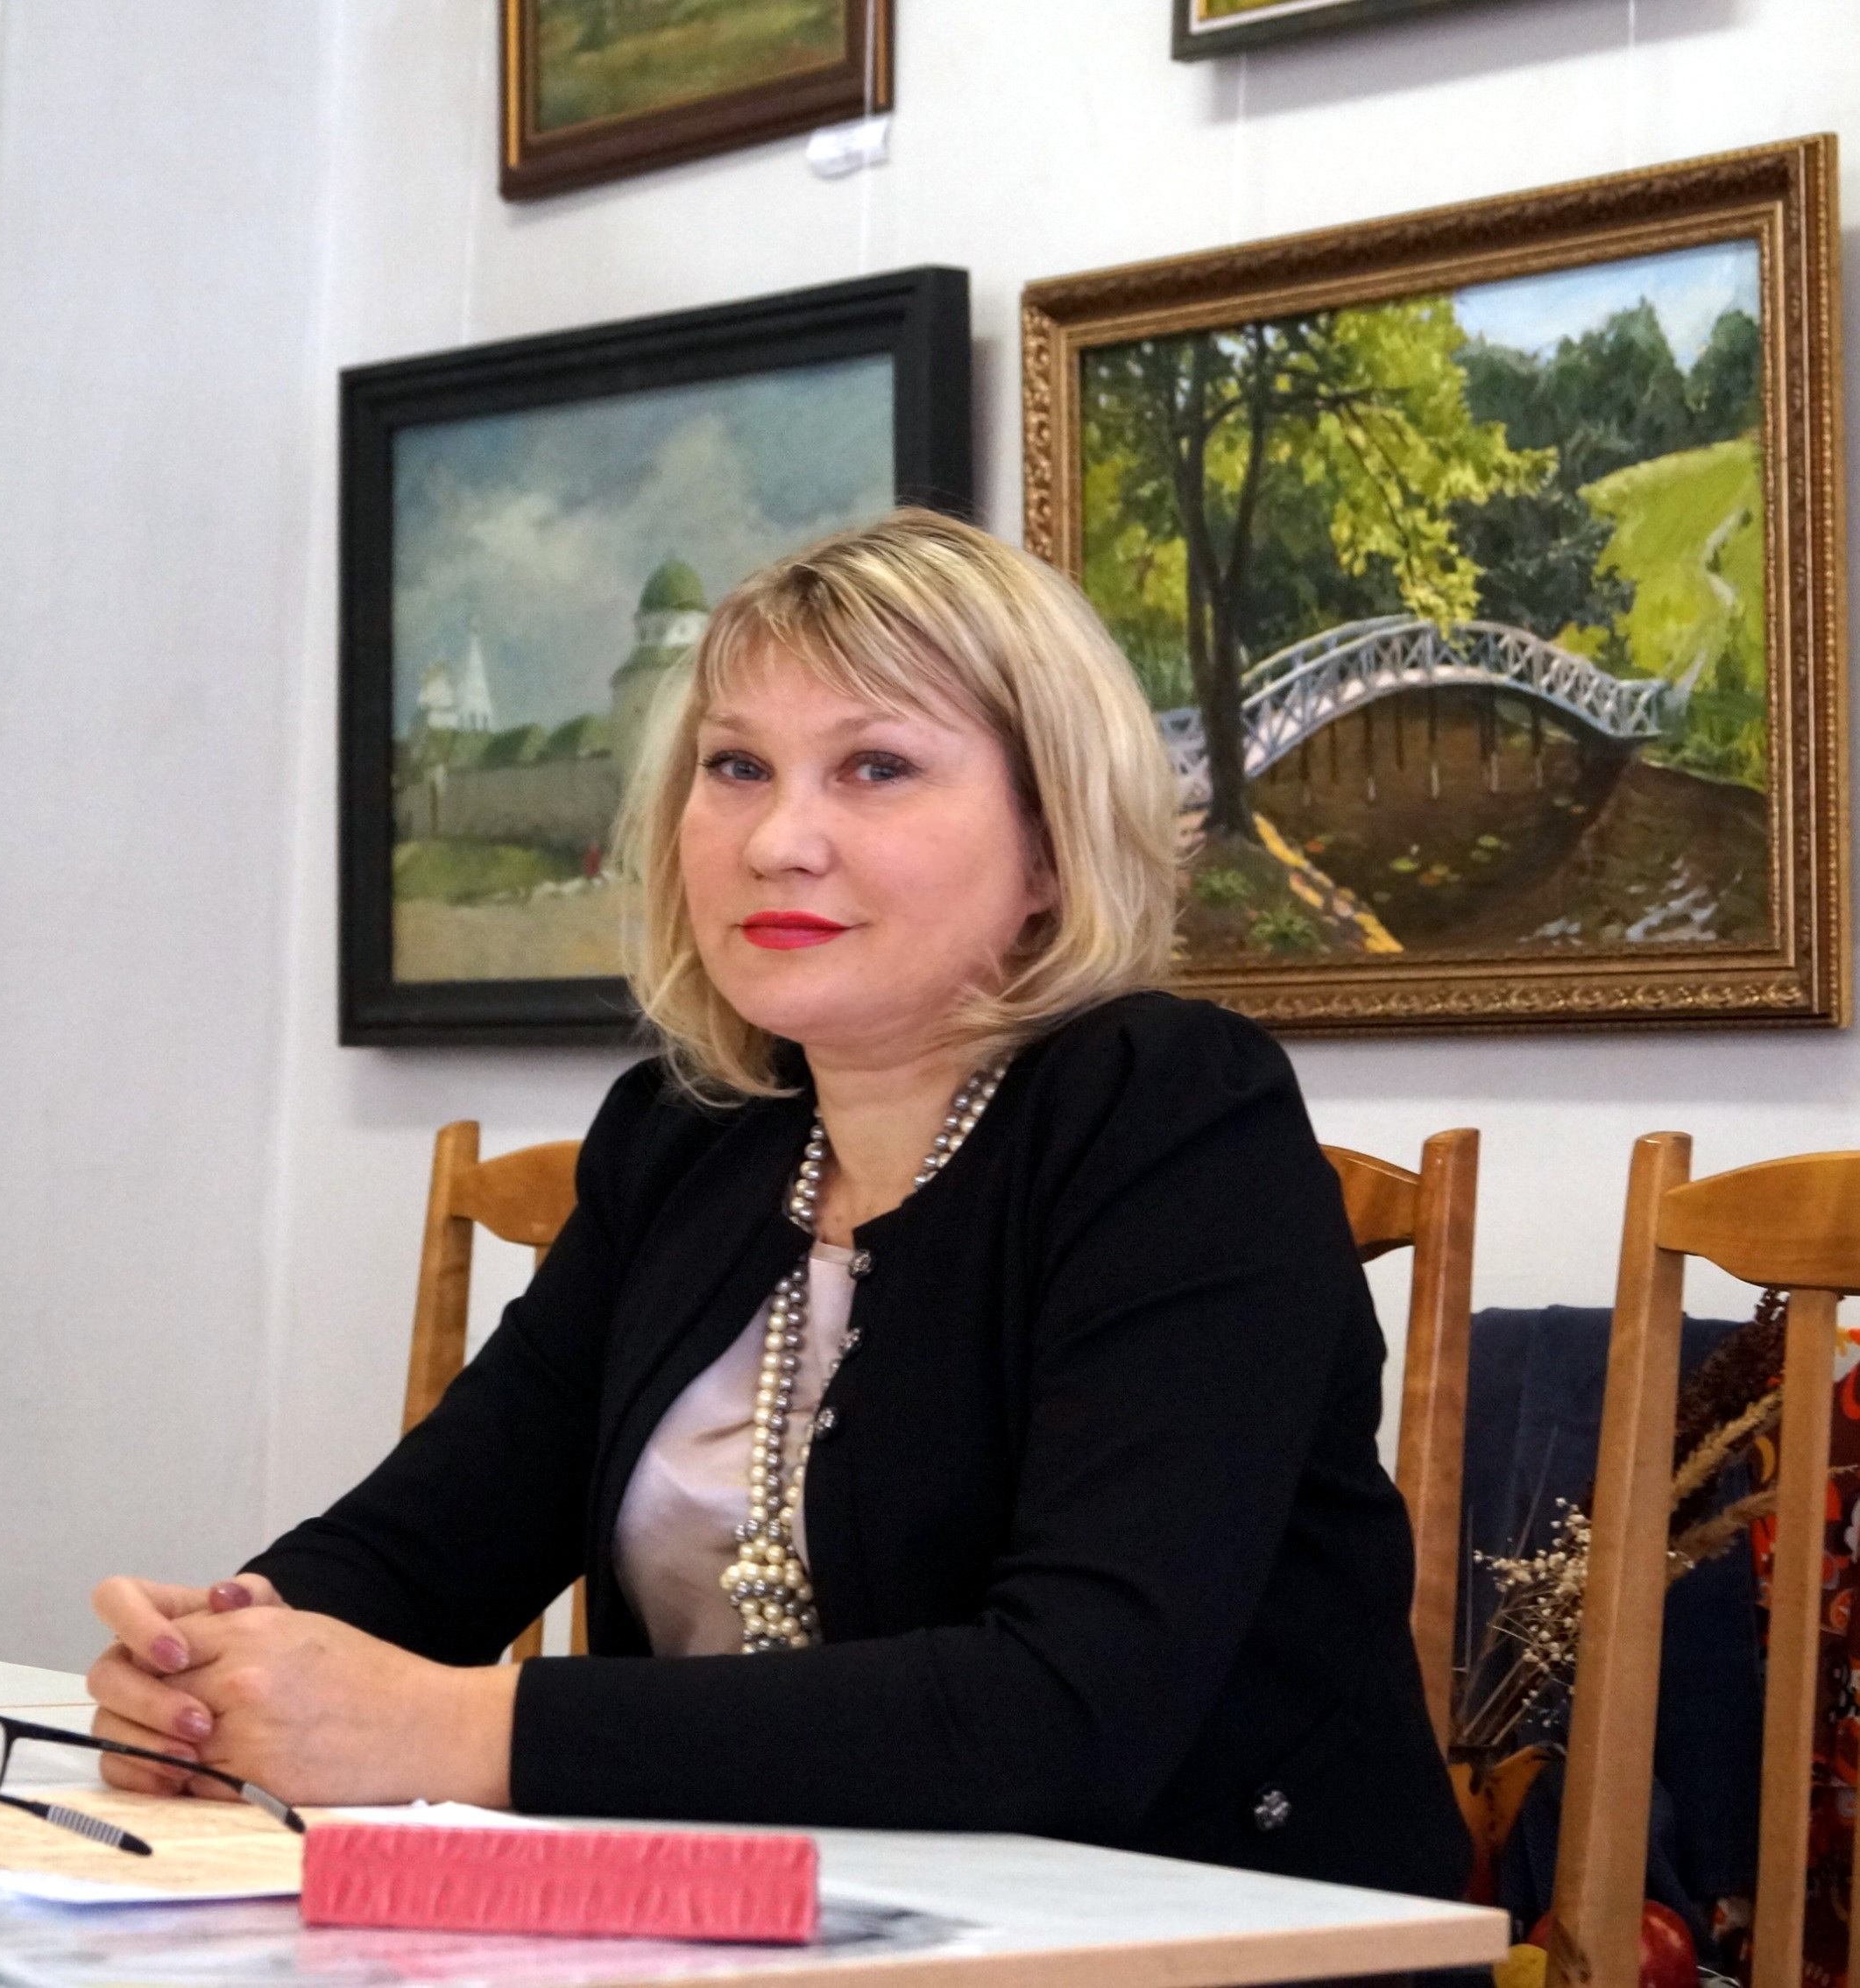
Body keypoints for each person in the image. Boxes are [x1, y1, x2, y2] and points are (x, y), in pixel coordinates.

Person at [87, 510, 1470, 1898]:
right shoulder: (683, 1136)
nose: (777, 839)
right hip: (737, 1922)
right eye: (735, 766)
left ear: (1049, 844)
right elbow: (434, 1538)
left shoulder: (1173, 1114)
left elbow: (1064, 1709)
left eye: (875, 766)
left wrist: (450, 1724)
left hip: (1195, 1934)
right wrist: (217, 1660)